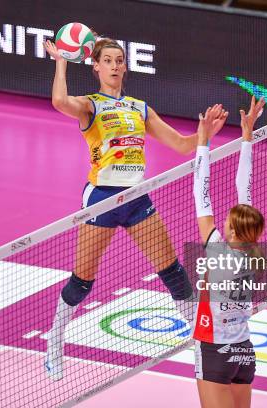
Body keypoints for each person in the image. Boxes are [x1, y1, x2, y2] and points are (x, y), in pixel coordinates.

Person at [42, 37, 226, 380]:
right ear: (96, 66)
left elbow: (182, 145)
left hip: (137, 197)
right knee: (83, 282)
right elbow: (58, 100)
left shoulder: (140, 108)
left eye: (119, 60)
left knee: (173, 272)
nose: (114, 66)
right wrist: (62, 61)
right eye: (107, 61)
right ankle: (54, 341)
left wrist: (205, 133)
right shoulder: (90, 106)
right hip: (102, 200)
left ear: (125, 66)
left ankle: (200, 342)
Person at [192, 97, 265, 408]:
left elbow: (201, 193)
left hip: (214, 350)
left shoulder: (217, 251)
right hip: (243, 351)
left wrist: (203, 141)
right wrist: (246, 138)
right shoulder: (255, 253)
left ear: (232, 229)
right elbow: (243, 189)